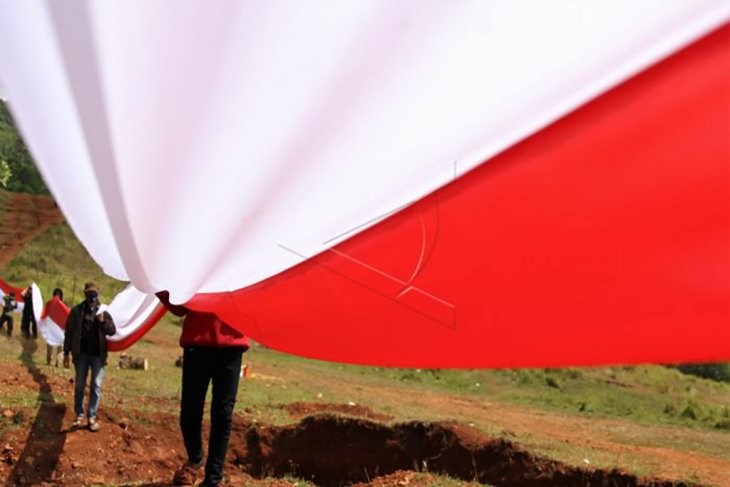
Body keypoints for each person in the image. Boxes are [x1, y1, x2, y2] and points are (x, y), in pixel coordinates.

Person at [156, 291, 249, 487]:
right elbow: (179, 308)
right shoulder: (197, 265)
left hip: (231, 348)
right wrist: (157, 283)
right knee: (190, 411)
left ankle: (213, 479)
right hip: (197, 346)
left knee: (222, 416)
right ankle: (195, 457)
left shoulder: (244, 266)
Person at [63, 282, 116, 432]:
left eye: (94, 294)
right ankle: (79, 415)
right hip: (81, 355)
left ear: (98, 294)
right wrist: (66, 352)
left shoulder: (104, 312)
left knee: (96, 386)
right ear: (85, 293)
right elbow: (69, 332)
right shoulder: (77, 311)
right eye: (89, 294)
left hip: (98, 357)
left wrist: (103, 322)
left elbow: (112, 331)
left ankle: (91, 416)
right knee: (80, 385)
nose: (92, 297)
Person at [46, 288, 64, 366]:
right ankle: (49, 360)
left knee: (60, 346)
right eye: (56, 294)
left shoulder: (63, 305)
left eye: (59, 294)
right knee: (50, 344)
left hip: (60, 328)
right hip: (52, 327)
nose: (57, 296)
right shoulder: (50, 304)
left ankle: (58, 362)